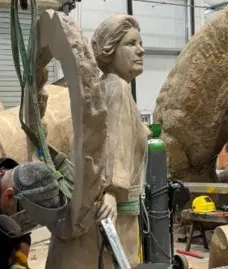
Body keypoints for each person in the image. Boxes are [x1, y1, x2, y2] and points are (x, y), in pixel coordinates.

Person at [91, 14, 150, 268]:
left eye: (140, 43)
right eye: (131, 44)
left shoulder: (106, 86)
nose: (141, 50)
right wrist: (113, 192)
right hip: (120, 206)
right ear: (110, 50)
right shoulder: (118, 88)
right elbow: (115, 142)